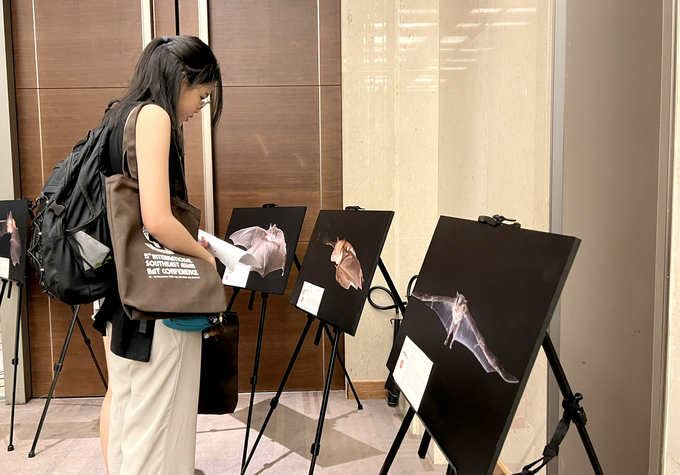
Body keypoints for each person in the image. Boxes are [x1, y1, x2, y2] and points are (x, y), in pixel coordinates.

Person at [92, 35, 223, 475]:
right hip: (153, 298)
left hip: (118, 290)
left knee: (130, 409)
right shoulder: (153, 116)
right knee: (159, 426)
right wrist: (204, 257)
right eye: (201, 97)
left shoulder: (118, 115)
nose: (197, 109)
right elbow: (157, 219)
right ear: (182, 79)